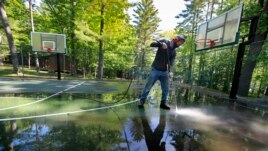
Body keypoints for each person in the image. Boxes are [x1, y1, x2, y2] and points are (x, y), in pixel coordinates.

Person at [138, 35, 186, 110]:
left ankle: (163, 103)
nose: (180, 45)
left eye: (181, 44)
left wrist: (170, 71)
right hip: (155, 69)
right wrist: (160, 44)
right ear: (176, 40)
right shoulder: (165, 41)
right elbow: (152, 44)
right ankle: (142, 101)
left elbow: (171, 63)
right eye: (180, 43)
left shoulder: (173, 52)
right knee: (148, 86)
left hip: (164, 72)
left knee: (166, 88)